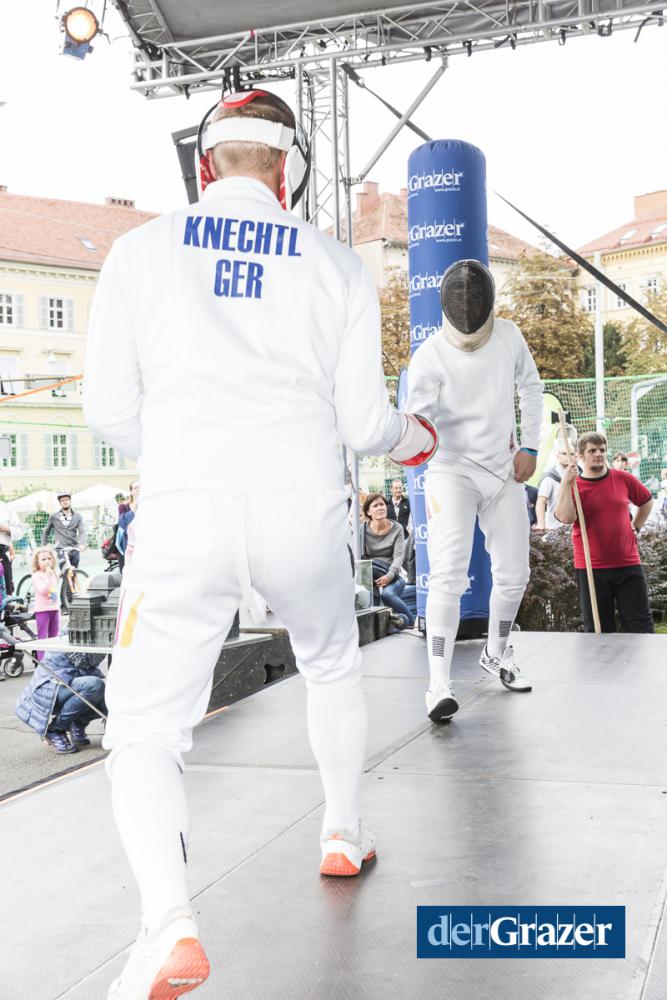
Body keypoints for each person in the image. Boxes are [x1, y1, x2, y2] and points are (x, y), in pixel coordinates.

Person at [83, 88, 436, 1000]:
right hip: (300, 507)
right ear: (290, 166)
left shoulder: (137, 251)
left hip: (184, 510)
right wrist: (417, 439)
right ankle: (341, 832)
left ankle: (169, 926)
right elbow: (365, 424)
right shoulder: (334, 263)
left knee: (145, 727)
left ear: (205, 163)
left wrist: (186, 458)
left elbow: (108, 413)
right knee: (331, 666)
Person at [406, 258, 543, 723]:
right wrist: (404, 439)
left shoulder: (508, 336)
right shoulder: (429, 356)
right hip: (451, 471)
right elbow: (419, 425)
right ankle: (438, 684)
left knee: (514, 574)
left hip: (504, 470)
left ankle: (496, 653)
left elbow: (531, 387)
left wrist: (530, 446)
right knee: (447, 574)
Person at [554, 431, 655, 633]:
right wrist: (565, 483)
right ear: (580, 456)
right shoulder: (574, 486)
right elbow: (566, 518)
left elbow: (646, 501)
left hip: (628, 564)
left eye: (602, 450)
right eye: (592, 450)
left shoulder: (623, 478)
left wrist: (636, 526)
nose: (598, 454)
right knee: (598, 630)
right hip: (591, 567)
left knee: (640, 626)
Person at [15, 650, 107, 754]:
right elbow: (81, 660)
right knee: (95, 686)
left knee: (109, 700)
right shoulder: (69, 640)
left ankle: (78, 723)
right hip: (51, 689)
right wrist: (109, 646)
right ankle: (55, 730)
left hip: (70, 682)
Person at [361, 493, 414, 628]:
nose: (380, 508)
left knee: (388, 595)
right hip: (371, 576)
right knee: (369, 596)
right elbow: (361, 559)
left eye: (382, 504)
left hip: (392, 575)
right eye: (375, 505)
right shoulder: (362, 530)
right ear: (368, 512)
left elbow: (399, 556)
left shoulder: (397, 528)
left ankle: (411, 622)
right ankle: (381, 626)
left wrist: (389, 576)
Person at [41, 492, 87, 569]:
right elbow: (46, 531)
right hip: (61, 550)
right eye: (62, 500)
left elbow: (82, 531)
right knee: (65, 571)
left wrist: (82, 544)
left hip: (74, 549)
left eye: (67, 499)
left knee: (74, 572)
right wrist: (43, 546)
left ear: (70, 501)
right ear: (60, 503)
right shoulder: (54, 516)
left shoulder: (77, 516)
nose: (65, 502)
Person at [31, 546, 60, 660]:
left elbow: (54, 590)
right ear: (37, 562)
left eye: (49, 558)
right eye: (43, 559)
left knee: (54, 636)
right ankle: (42, 662)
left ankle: (53, 660)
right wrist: (47, 578)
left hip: (54, 608)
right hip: (42, 610)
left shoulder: (53, 573)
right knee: (43, 637)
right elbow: (43, 591)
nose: (47, 561)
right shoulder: (36, 576)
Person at [535, 444, 571, 531]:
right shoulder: (549, 477)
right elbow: (541, 502)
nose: (568, 456)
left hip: (575, 527)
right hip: (555, 528)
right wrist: (541, 524)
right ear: (558, 456)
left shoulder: (579, 474)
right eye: (564, 453)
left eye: (571, 454)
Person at [0, 486, 25, 594]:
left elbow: (20, 532)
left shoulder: (6, 508)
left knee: (6, 592)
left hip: (1, 554)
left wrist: (6, 528)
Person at [117, 480, 140, 573]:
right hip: (129, 543)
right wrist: (133, 511)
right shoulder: (124, 507)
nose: (138, 489)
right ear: (131, 491)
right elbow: (122, 524)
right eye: (135, 488)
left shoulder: (147, 505)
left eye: (140, 487)